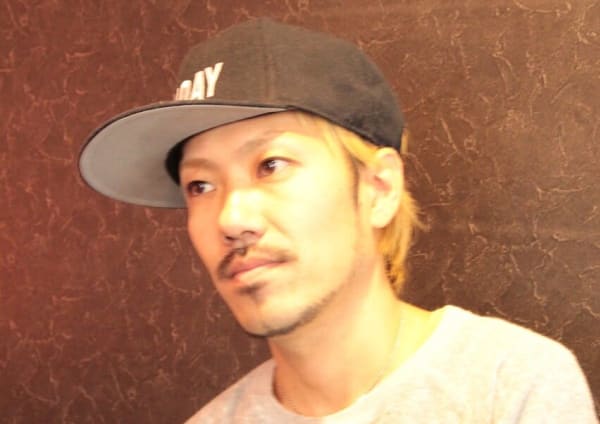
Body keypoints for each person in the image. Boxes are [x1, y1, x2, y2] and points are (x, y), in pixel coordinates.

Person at [79, 18, 598, 423]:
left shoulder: (510, 387)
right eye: (200, 186)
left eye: (271, 165)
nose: (231, 219)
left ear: (378, 189)